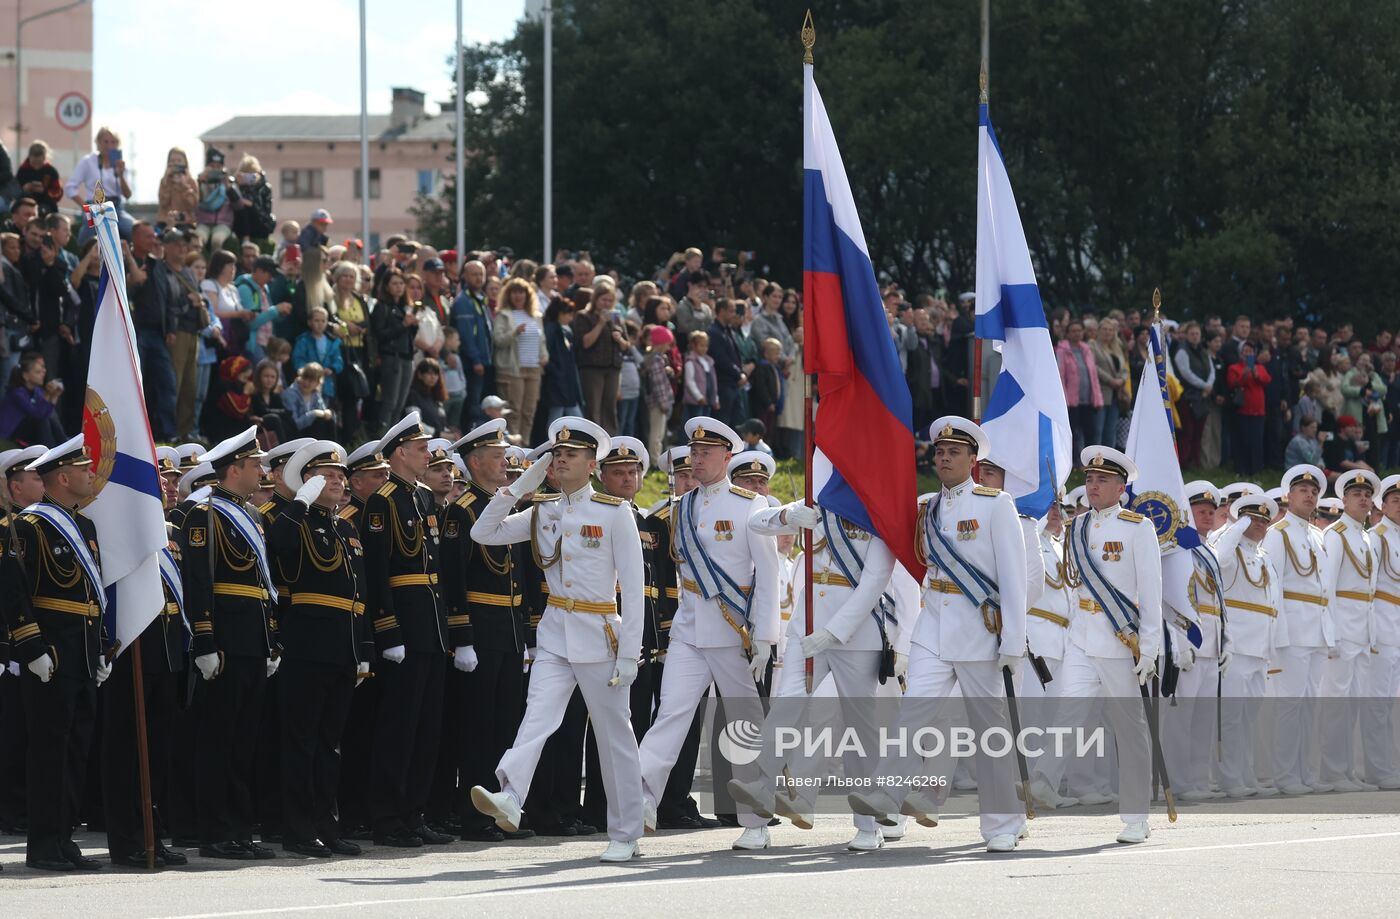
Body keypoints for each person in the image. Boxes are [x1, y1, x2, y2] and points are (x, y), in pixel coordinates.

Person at [468, 416, 646, 863]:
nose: (560, 459)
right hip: (555, 632)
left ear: (591, 464)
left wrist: (630, 653)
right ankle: (510, 794)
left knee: (613, 736)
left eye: (571, 455)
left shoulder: (613, 512)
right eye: (556, 454)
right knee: (538, 716)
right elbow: (483, 533)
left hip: (600, 634)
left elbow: (634, 587)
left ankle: (626, 831)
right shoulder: (544, 508)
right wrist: (517, 487)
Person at [634, 417, 778, 850]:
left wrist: (767, 636)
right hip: (690, 629)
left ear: (726, 457)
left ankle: (756, 821)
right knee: (671, 714)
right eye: (693, 453)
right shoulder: (682, 505)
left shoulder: (748, 505)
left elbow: (768, 576)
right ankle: (637, 802)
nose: (696, 460)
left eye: (705, 453)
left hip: (734, 634)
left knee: (745, 722)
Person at [1029, 446, 1161, 845]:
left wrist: (1150, 648)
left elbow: (1151, 595)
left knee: (1129, 728)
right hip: (1082, 637)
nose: (1093, 485)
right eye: (1089, 479)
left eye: (1102, 480)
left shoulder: (1138, 528)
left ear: (1121, 487)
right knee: (1068, 711)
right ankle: (1044, 783)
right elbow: (1074, 588)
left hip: (1122, 641)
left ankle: (1136, 815)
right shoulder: (1078, 527)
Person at [0, 436, 107, 871]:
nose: (90, 475)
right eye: (83, 470)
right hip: (52, 651)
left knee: (76, 748)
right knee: (49, 750)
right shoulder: (27, 526)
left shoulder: (86, 527)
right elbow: (13, 590)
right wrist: (30, 645)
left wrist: (101, 647)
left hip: (82, 651)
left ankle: (64, 838)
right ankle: (43, 844)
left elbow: (92, 594)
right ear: (62, 477)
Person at [270, 440, 371, 858]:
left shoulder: (345, 527)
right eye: (325, 476)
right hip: (307, 647)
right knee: (302, 743)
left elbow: (359, 591)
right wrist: (299, 504)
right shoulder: (292, 521)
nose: (336, 481)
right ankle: (297, 829)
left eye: (339, 475)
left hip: (343, 648)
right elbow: (279, 546)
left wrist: (364, 645)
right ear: (307, 482)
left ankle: (326, 825)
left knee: (330, 745)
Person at [363, 412, 454, 849]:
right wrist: (387, 627)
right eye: (421, 449)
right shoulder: (383, 501)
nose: (427, 455)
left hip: (431, 624)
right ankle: (388, 815)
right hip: (405, 624)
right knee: (399, 726)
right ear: (400, 452)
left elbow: (432, 567)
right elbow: (379, 570)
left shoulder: (420, 499)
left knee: (428, 728)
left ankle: (414, 812)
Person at [437, 420, 530, 842]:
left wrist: (526, 636)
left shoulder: (502, 505)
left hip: (509, 629)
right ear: (474, 462)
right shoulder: (462, 510)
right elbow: (454, 578)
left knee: (507, 725)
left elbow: (520, 576)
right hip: (481, 629)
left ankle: (501, 809)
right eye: (497, 458)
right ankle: (472, 815)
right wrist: (463, 637)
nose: (505, 465)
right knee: (477, 727)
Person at [1262, 464, 1332, 795]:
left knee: (1309, 705)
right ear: (1288, 495)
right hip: (1292, 631)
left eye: (1314, 490)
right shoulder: (1278, 533)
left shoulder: (1317, 535)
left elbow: (1324, 589)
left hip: (1317, 630)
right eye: (1302, 490)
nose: (1310, 495)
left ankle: (1306, 772)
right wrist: (1277, 634)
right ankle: (1285, 774)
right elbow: (1272, 586)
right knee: (1288, 706)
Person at [1318, 469, 1382, 793]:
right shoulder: (1336, 533)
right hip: (1342, 631)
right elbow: (1326, 589)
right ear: (1344, 499)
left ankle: (1351, 770)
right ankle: (1333, 771)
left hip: (1362, 633)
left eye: (1368, 494)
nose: (1364, 499)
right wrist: (1331, 634)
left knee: (1355, 704)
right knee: (1336, 705)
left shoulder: (1367, 536)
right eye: (1357, 494)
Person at [1366, 475, 1400, 790]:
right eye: (1396, 501)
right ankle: (1376, 768)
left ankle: (1392, 763)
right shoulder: (1375, 537)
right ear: (1383, 505)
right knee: (1378, 703)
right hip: (1382, 625)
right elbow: (1369, 587)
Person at [494, 277, 547, 441]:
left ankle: (525, 448)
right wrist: (514, 332)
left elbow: (542, 340)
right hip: (512, 369)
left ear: (527, 295)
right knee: (514, 411)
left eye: (521, 292)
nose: (518, 296)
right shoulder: (503, 315)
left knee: (529, 412)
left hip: (534, 369)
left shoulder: (536, 316)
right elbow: (498, 340)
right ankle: (514, 450)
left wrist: (544, 356)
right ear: (508, 295)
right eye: (514, 292)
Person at [64, 126, 133, 240]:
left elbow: (128, 195)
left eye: (113, 142)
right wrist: (86, 208)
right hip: (95, 206)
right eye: (105, 142)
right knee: (89, 233)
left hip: (117, 208)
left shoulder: (120, 164)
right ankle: (84, 254)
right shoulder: (88, 161)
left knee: (134, 230)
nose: (109, 146)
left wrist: (120, 174)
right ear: (98, 143)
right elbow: (70, 188)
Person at [372, 269, 419, 426]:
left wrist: (413, 326)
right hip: (391, 358)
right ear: (386, 286)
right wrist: (403, 325)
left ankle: (393, 438)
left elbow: (408, 337)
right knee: (389, 402)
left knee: (400, 404)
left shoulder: (403, 307)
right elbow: (381, 334)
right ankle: (383, 437)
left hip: (406, 357)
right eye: (394, 283)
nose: (399, 287)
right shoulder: (382, 307)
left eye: (401, 283)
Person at [451, 260, 494, 430]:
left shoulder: (480, 299)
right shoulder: (463, 302)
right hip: (472, 363)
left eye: (481, 274)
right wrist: (476, 359)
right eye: (474, 274)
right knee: (472, 404)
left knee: (478, 403)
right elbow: (466, 334)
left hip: (483, 361)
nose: (478, 278)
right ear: (465, 276)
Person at [1055, 319, 1103, 458]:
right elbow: (1061, 374)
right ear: (1068, 333)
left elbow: (1093, 376)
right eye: (1073, 331)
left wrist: (1097, 398)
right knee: (1073, 433)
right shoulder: (1062, 350)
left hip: (1088, 399)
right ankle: (1074, 461)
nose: (1077, 333)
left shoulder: (1086, 349)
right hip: (1071, 401)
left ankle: (1089, 460)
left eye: (1079, 330)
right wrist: (1063, 398)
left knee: (1090, 432)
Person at [1227, 341, 1272, 475]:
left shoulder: (1260, 367)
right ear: (1241, 353)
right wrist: (1244, 374)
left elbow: (1267, 380)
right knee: (1242, 441)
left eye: (1250, 352)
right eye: (1245, 351)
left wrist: (1256, 374)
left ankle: (1255, 469)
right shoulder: (1234, 367)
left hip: (1258, 411)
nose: (1248, 354)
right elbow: (1232, 383)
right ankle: (1241, 469)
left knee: (1256, 442)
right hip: (1243, 411)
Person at [0, 351, 63, 445]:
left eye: (43, 371)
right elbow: (37, 415)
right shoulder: (17, 393)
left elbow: (45, 414)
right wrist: (47, 396)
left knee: (50, 417)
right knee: (42, 421)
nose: (43, 373)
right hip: (10, 434)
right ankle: (51, 452)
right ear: (26, 376)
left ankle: (64, 446)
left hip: (27, 430)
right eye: (38, 372)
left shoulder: (37, 390)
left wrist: (54, 396)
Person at [292, 307, 345, 403]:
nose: (320, 324)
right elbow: (298, 360)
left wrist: (332, 369)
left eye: (323, 321)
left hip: (327, 385)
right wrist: (309, 371)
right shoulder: (303, 340)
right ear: (309, 322)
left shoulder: (333, 342)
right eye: (316, 320)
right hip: (307, 385)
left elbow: (338, 360)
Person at [641, 325, 676, 460]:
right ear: (661, 343)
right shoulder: (656, 360)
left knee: (658, 433)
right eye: (667, 343)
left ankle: (656, 458)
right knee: (657, 434)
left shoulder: (653, 357)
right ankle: (655, 460)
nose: (669, 346)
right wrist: (663, 403)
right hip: (658, 403)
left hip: (658, 402)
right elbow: (658, 383)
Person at [193, 148, 237, 253]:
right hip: (203, 223)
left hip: (223, 224)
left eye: (219, 166)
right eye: (212, 166)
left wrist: (229, 188)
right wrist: (200, 183)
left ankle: (215, 267)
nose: (215, 169)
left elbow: (238, 206)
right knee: (198, 239)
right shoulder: (199, 182)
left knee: (217, 240)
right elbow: (194, 202)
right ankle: (196, 265)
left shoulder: (228, 183)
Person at [281, 363, 337, 439]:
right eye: (304, 378)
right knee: (319, 421)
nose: (306, 383)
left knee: (329, 420)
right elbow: (295, 425)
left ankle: (332, 449)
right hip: (296, 435)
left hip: (313, 433)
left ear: (318, 383)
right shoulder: (290, 394)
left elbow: (323, 412)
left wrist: (328, 413)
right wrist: (313, 413)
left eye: (311, 380)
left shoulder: (315, 394)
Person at [231, 155, 275, 243]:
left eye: (252, 174)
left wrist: (251, 202)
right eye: (245, 174)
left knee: (246, 209)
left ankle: (246, 239)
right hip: (241, 223)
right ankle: (245, 238)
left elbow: (265, 212)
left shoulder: (265, 188)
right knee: (242, 210)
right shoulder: (237, 186)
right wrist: (237, 186)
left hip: (261, 223)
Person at [15, 142, 62, 217]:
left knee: (42, 211)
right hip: (25, 203)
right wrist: (24, 188)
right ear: (29, 158)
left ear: (44, 158)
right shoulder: (23, 170)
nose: (36, 166)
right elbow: (14, 190)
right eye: (33, 162)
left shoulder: (50, 171)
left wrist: (44, 191)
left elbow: (57, 193)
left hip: (46, 205)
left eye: (39, 163)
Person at [404, 358, 449, 437]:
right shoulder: (413, 395)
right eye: (429, 373)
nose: (433, 377)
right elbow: (415, 424)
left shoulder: (437, 398)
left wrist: (451, 433)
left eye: (436, 374)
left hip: (440, 442)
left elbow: (442, 425)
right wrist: (439, 434)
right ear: (420, 375)